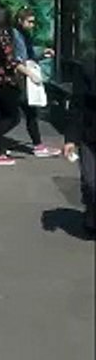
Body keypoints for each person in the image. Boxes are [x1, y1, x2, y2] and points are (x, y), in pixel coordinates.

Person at [0, 0, 41, 166]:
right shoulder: (3, 35)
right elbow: (11, 61)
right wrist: (29, 73)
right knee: (13, 117)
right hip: (2, 80)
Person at [13, 7, 61, 158]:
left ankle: (37, 145)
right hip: (19, 80)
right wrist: (32, 74)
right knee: (13, 115)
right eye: (30, 21)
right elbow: (17, 60)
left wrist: (42, 52)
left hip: (19, 79)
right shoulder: (17, 35)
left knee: (27, 113)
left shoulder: (22, 34)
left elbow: (27, 54)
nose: (32, 25)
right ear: (20, 21)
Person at [62, 49, 96, 236]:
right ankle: (91, 212)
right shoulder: (87, 66)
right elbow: (77, 104)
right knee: (92, 182)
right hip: (89, 133)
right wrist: (71, 139)